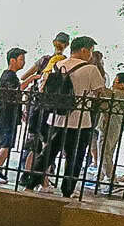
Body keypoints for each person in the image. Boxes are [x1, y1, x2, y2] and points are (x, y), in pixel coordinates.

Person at [21, 35, 106, 196]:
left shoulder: (57, 65)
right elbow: (99, 93)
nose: (91, 54)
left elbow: (44, 87)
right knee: (75, 158)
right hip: (80, 121)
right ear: (84, 50)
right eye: (91, 51)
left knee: (47, 154)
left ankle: (30, 184)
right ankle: (67, 191)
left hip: (56, 118)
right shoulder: (91, 69)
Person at [0, 47, 26, 182]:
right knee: (6, 144)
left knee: (0, 143)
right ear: (12, 60)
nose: (23, 62)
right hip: (7, 115)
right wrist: (31, 78)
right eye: (21, 59)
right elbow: (16, 91)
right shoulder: (10, 76)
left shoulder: (7, 75)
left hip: (6, 114)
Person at [94, 72, 124, 182]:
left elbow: (102, 92)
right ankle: (101, 174)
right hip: (116, 125)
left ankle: (110, 176)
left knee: (104, 150)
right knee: (109, 150)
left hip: (109, 124)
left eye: (115, 81)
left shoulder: (115, 94)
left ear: (122, 85)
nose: (112, 83)